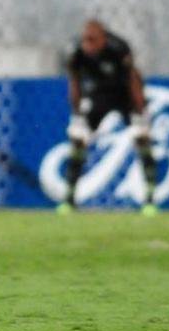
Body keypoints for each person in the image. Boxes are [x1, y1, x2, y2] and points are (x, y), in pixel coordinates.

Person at [60, 20, 157, 215]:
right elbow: (75, 83)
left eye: (92, 41)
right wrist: (77, 113)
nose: (88, 45)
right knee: (78, 140)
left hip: (124, 96)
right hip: (97, 96)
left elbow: (133, 78)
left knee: (142, 138)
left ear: (102, 38)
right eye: (86, 40)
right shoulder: (76, 52)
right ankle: (69, 198)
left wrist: (140, 108)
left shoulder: (118, 48)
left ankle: (149, 198)